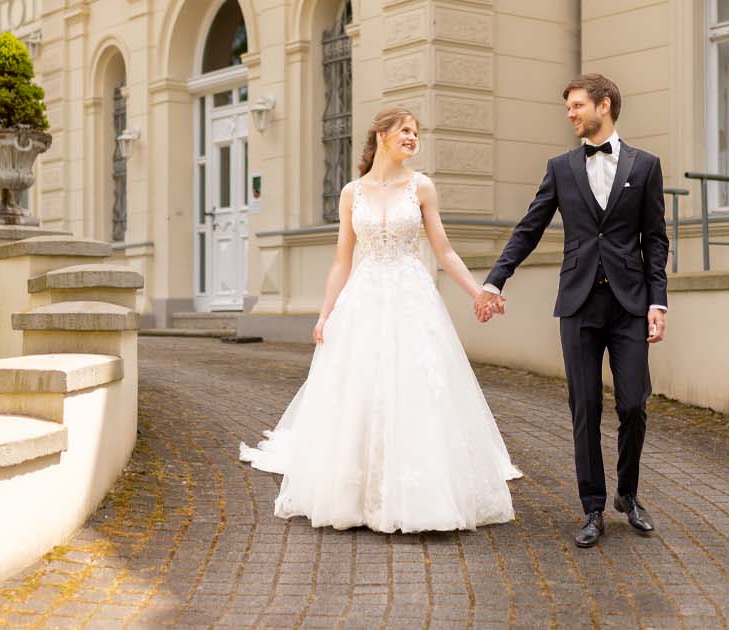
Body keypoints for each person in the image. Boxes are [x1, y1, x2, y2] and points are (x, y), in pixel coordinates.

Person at [239, 106, 522, 533]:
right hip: (364, 301)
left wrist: (478, 290)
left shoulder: (422, 187)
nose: (412, 137)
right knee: (361, 390)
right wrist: (325, 313)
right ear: (382, 135)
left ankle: (420, 494)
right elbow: (341, 260)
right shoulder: (352, 192)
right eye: (405, 130)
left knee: (416, 389)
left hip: (412, 301)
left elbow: (443, 251)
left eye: (416, 132)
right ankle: (356, 494)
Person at [476, 74, 668, 548]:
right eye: (568, 108)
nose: (571, 114)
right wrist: (496, 277)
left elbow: (656, 239)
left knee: (633, 405)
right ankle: (593, 507)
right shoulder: (561, 168)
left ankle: (628, 493)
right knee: (584, 406)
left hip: (630, 303)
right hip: (579, 303)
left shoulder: (646, 166)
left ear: (604, 105)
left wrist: (657, 301)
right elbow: (530, 227)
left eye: (578, 106)